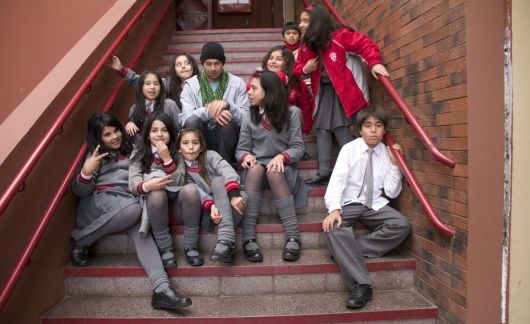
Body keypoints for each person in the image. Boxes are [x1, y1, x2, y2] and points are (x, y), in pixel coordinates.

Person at [70, 112, 191, 310]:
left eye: (116, 131)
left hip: (129, 200)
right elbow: (81, 191)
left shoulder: (135, 148)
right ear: (98, 138)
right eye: (107, 135)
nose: (115, 137)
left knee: (142, 231)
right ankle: (80, 240)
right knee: (135, 211)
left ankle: (162, 289)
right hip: (101, 202)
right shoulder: (95, 156)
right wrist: (87, 171)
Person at [322, 107, 411, 309]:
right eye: (368, 126)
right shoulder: (349, 149)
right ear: (360, 130)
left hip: (375, 204)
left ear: (384, 130)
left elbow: (391, 192)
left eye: (378, 126)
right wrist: (334, 208)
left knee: (402, 225)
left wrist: (396, 165)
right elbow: (337, 181)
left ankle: (345, 249)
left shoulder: (388, 154)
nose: (373, 131)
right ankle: (361, 285)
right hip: (350, 202)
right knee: (333, 227)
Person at [294, 5, 389, 185]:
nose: (301, 25)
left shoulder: (339, 36)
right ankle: (323, 172)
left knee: (341, 129)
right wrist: (306, 69)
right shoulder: (307, 44)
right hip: (324, 91)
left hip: (343, 93)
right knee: (321, 129)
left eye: (306, 20)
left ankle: (354, 172)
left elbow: (365, 44)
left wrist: (374, 63)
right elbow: (297, 68)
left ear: (317, 21)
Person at [236, 70, 308, 262]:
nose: (249, 92)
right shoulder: (248, 116)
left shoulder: (291, 114)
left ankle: (293, 235)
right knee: (256, 168)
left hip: (283, 173)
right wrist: (246, 157)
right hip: (256, 174)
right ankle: (248, 237)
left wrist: (283, 156)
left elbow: (298, 147)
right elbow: (240, 149)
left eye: (254, 88)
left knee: (274, 171)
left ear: (268, 91)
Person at [129, 113, 206, 267]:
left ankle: (191, 245)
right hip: (155, 205)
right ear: (147, 135)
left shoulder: (177, 152)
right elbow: (133, 183)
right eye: (154, 130)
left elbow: (179, 182)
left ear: (171, 133)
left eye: (164, 130)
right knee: (156, 194)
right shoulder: (139, 153)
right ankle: (165, 249)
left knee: (191, 190)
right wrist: (147, 186)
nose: (159, 134)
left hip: (178, 202)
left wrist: (167, 159)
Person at [178, 128, 246, 263]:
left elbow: (226, 169)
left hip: (227, 203)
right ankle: (227, 241)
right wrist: (211, 206)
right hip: (208, 214)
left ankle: (225, 241)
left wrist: (233, 194)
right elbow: (197, 191)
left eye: (195, 143)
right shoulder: (181, 169)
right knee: (217, 182)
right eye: (185, 143)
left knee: (225, 184)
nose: (191, 147)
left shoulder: (211, 156)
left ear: (202, 146)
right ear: (179, 148)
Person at [180, 41, 250, 162]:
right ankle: (198, 163)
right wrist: (211, 111)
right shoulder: (191, 85)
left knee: (227, 121)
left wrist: (229, 105)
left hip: (227, 136)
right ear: (202, 63)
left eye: (217, 63)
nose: (213, 68)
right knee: (192, 121)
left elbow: (246, 119)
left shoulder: (237, 83)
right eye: (208, 64)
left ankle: (224, 166)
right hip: (201, 134)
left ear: (223, 63)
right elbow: (186, 118)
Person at [108, 53, 199, 109]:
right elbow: (143, 81)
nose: (183, 66)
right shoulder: (169, 84)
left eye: (187, 63)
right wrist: (122, 70)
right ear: (174, 70)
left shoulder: (203, 83)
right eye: (179, 65)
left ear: (193, 66)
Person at [262, 45, 314, 136]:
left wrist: (306, 129)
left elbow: (307, 107)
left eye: (279, 59)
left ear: (287, 63)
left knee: (295, 110)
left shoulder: (297, 83)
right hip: (264, 125)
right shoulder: (259, 80)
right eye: (271, 58)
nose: (273, 61)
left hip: (288, 126)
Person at [126, 70, 181, 144]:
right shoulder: (134, 108)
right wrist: (129, 125)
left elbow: (180, 130)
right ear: (141, 87)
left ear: (160, 87)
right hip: (145, 151)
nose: (152, 87)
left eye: (156, 84)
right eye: (147, 84)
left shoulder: (170, 105)